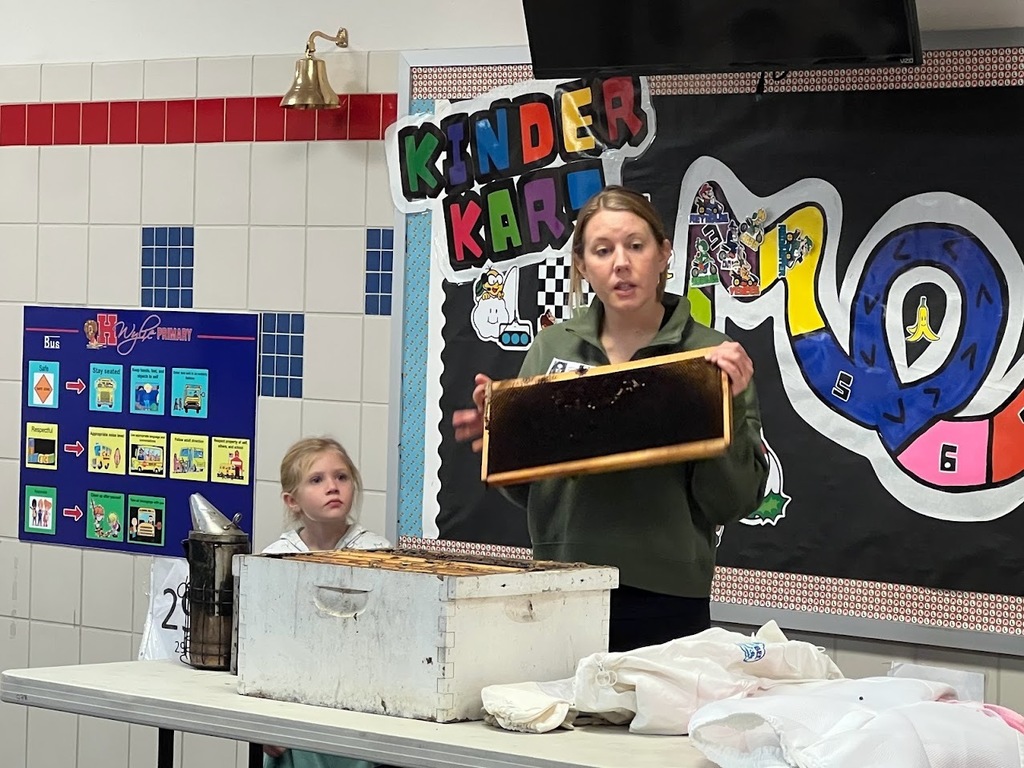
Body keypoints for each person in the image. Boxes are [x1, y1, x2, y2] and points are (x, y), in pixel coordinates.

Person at [452, 185, 768, 653]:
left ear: (663, 254)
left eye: (636, 245)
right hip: (560, 584)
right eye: (602, 250)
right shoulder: (552, 347)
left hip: (667, 596)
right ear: (582, 265)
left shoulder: (711, 356)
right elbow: (533, 493)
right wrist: (506, 437)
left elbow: (732, 502)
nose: (621, 263)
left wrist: (732, 410)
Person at [261, 437, 391, 768]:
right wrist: (263, 717)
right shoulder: (276, 559)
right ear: (292, 500)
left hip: (362, 715)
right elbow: (261, 647)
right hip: (293, 715)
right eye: (317, 480)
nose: (333, 487)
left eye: (342, 477)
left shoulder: (378, 554)